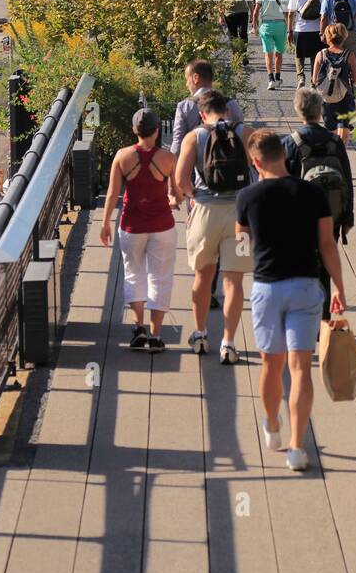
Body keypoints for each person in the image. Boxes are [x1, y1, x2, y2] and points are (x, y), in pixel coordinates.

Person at [236, 129, 346, 472]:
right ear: (284, 156)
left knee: (271, 364)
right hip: (305, 286)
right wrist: (339, 287)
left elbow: (242, 250)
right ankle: (297, 448)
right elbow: (327, 244)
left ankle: (271, 424)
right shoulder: (312, 194)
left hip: (267, 288)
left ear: (256, 162)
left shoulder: (247, 198)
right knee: (301, 369)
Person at [175, 91, 253, 363]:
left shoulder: (193, 137)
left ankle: (200, 334)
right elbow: (265, 165)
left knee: (202, 277)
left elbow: (180, 178)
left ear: (201, 113)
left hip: (205, 213)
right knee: (235, 281)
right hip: (240, 218)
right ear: (227, 111)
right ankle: (229, 343)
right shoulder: (245, 132)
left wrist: (192, 197)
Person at [100, 108, 180, 352]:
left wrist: (105, 224)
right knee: (161, 277)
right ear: (157, 131)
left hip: (131, 225)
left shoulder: (122, 156)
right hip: (163, 226)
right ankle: (156, 336)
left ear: (135, 131)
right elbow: (175, 195)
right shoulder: (168, 159)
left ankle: (139, 328)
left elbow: (113, 193)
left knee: (134, 274)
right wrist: (174, 199)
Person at [171, 60, 244, 311]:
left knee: (203, 240)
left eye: (186, 77)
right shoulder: (230, 104)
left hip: (200, 187)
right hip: (235, 191)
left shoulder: (185, 106)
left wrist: (179, 189)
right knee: (233, 250)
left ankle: (207, 290)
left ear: (195, 78)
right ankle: (226, 280)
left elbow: (177, 145)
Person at [283, 88, 354, 318]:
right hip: (330, 213)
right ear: (321, 110)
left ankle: (302, 316)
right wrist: (347, 217)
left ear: (298, 110)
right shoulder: (335, 141)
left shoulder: (291, 143)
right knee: (325, 265)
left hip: (297, 216)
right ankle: (323, 319)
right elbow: (347, 180)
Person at [312, 22, 356, 145]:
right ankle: (341, 153)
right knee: (343, 130)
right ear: (344, 37)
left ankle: (332, 154)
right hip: (344, 98)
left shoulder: (320, 55)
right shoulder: (349, 55)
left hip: (326, 99)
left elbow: (314, 80)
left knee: (331, 130)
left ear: (328, 37)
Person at [286, 0, 325, 89]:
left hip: (300, 29)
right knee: (315, 57)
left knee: (299, 56)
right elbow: (324, 13)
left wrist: (289, 30)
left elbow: (290, 13)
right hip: (315, 29)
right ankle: (313, 82)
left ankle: (301, 77)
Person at [251, 0, 287, 90]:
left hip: (266, 25)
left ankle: (270, 79)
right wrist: (289, 28)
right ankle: (277, 77)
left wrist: (254, 26)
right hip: (280, 25)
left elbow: (256, 12)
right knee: (279, 52)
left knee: (268, 53)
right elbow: (287, 12)